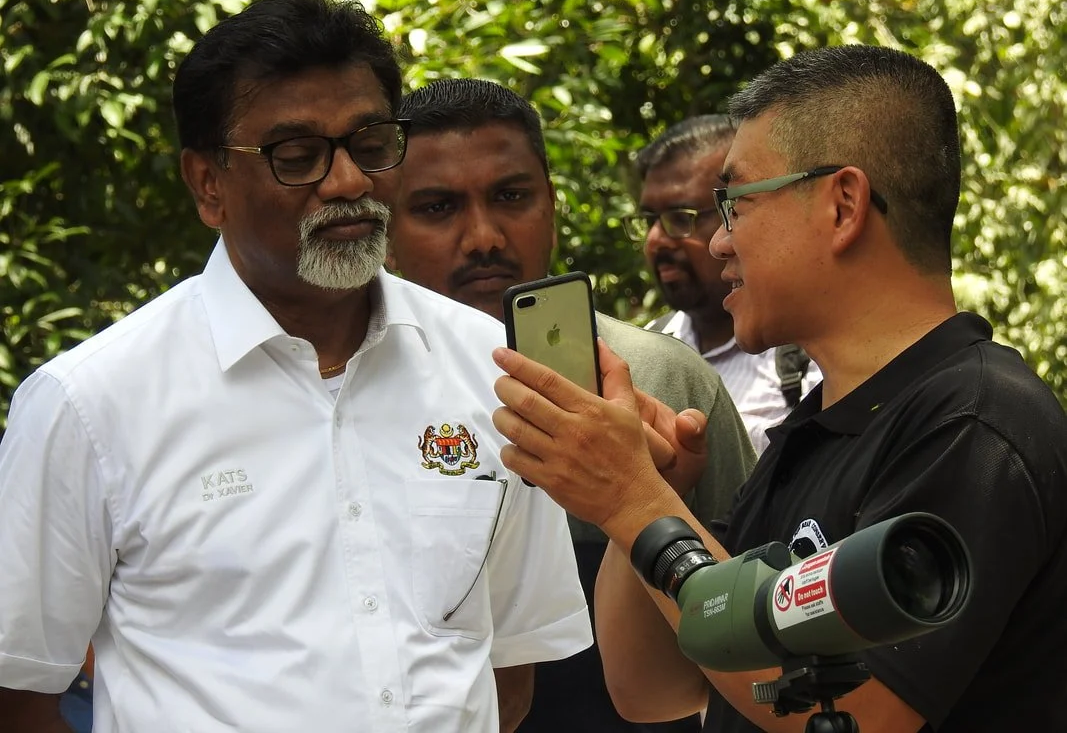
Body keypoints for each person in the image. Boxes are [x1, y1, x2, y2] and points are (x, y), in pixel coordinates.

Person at [0, 0, 592, 733]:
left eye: (370, 144)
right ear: (208, 184)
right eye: (297, 157)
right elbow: (18, 696)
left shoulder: (496, 373)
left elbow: (508, 668)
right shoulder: (89, 404)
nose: (347, 183)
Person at [487, 44, 1067, 732]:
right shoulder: (815, 429)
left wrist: (631, 499)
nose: (718, 243)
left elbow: (861, 717)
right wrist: (645, 499)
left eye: (734, 203)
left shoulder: (974, 422)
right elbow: (655, 689)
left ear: (843, 205)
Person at [387, 78, 756, 732]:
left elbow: (755, 629)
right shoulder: (348, 401)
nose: (483, 237)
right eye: (438, 207)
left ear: (551, 206)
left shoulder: (662, 380)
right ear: (385, 229)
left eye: (511, 197)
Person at [626, 115, 820, 453]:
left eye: (680, 218)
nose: (655, 241)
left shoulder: (807, 353)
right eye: (648, 221)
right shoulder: (639, 357)